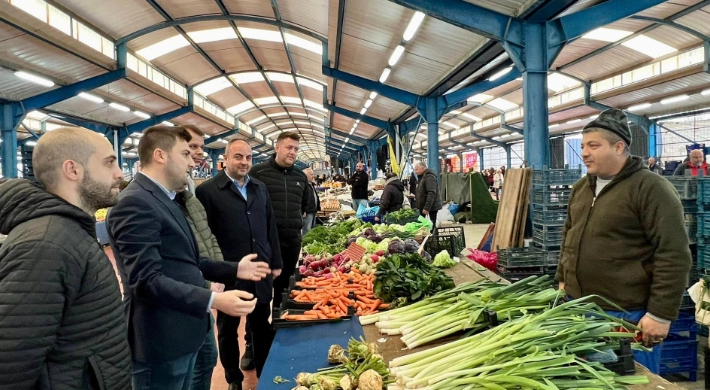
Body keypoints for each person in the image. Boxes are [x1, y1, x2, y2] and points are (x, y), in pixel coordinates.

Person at [108, 126, 268, 390]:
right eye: (184, 153)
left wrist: (235, 269)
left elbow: (188, 259)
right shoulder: (135, 203)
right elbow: (146, 281)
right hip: (162, 338)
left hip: (189, 327)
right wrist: (214, 299)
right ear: (160, 155)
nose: (194, 160)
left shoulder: (169, 198)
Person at [556, 108, 691, 369]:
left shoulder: (651, 188)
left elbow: (673, 254)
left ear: (619, 147)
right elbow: (569, 236)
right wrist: (563, 279)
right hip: (578, 306)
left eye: (593, 145)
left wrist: (660, 314)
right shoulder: (581, 188)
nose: (584, 152)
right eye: (584, 145)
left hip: (626, 315)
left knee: (629, 380)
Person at [0, 127, 132, 389]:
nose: (119, 174)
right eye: (109, 163)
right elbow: (11, 361)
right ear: (73, 170)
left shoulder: (69, 232)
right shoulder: (47, 245)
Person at [197, 139, 282, 390]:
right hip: (229, 273)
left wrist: (275, 261)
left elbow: (270, 226)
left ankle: (265, 372)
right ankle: (234, 379)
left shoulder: (259, 188)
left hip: (260, 270)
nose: (244, 162)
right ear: (225, 158)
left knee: (260, 325)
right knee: (227, 329)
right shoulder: (209, 191)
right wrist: (212, 275)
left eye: (248, 157)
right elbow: (204, 236)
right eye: (238, 157)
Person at [181, 124, 222, 390]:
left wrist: (219, 272)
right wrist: (208, 289)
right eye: (191, 148)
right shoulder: (144, 203)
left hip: (201, 298)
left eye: (200, 147)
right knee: (182, 372)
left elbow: (207, 237)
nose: (199, 153)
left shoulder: (188, 196)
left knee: (207, 359)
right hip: (181, 303)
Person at [250, 131, 309, 309]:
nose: (292, 152)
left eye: (296, 149)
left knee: (284, 289)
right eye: (289, 147)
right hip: (264, 243)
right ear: (277, 147)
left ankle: (278, 324)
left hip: (291, 242)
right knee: (260, 291)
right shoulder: (258, 172)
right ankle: (256, 335)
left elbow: (304, 206)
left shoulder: (300, 177)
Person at [414, 161, 443, 231]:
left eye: (416, 169)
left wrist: (427, 207)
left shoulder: (429, 177)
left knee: (432, 225)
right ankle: (427, 238)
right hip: (423, 207)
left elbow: (431, 193)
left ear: (422, 168)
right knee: (421, 226)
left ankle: (434, 239)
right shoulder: (422, 177)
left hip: (431, 207)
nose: (415, 171)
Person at [302, 168, 320, 235]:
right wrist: (303, 210)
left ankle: (310, 244)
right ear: (305, 175)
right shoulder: (303, 185)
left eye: (313, 174)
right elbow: (301, 198)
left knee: (312, 230)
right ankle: (305, 244)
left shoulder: (311, 184)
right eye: (311, 174)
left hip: (313, 210)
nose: (313, 176)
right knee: (307, 230)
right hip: (307, 212)